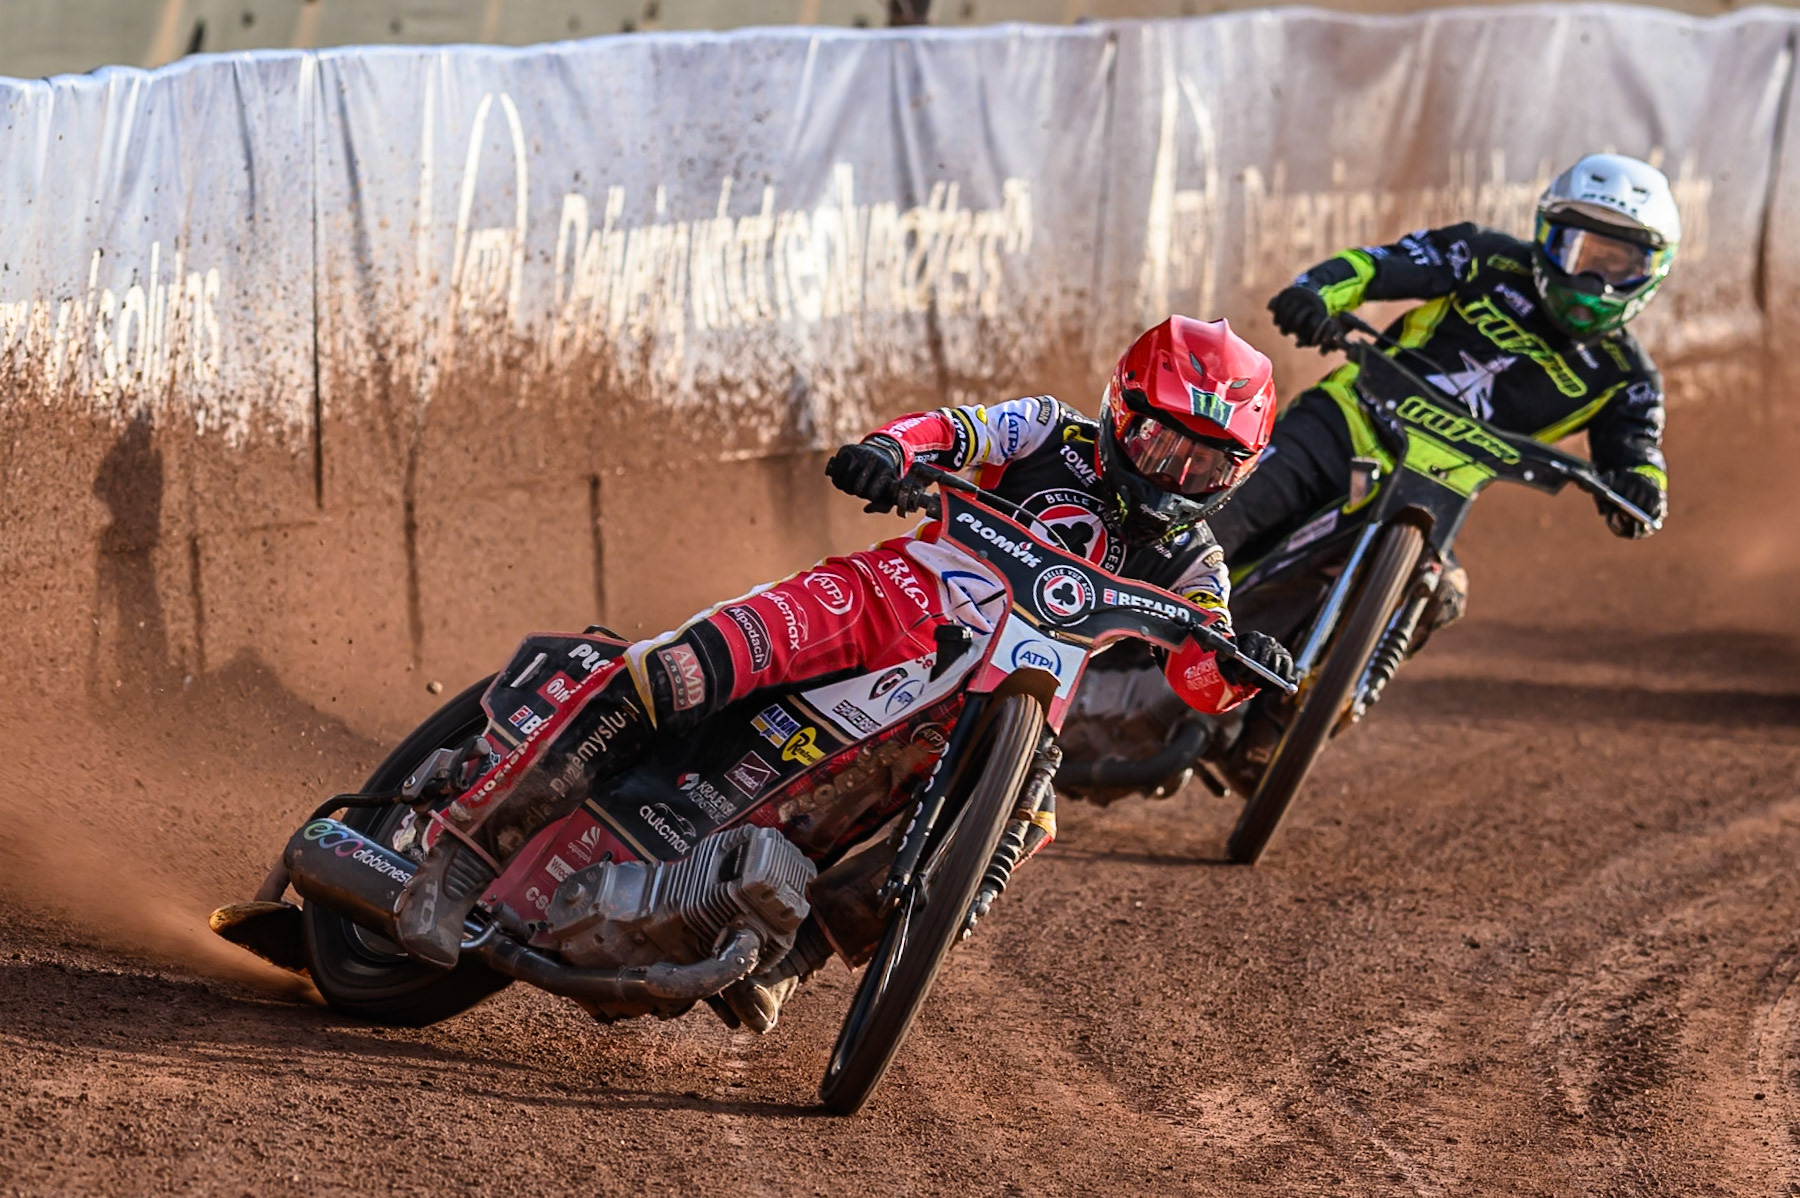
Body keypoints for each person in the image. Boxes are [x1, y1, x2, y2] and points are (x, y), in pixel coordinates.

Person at [392, 315, 1296, 1029]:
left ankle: (788, 963)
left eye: (1202, 460)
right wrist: (893, 452)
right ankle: (463, 860)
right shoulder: (1049, 429)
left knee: (1009, 840)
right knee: (680, 669)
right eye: (1160, 442)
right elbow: (953, 429)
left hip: (995, 715)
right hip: (892, 599)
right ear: (1122, 407)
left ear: (1238, 470)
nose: (1173, 471)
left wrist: (1249, 674)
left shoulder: (1197, 567)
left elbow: (1201, 677)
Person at [1209, 153, 1679, 594]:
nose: (1591, 280)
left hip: (1435, 492)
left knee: (1440, 592)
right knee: (1224, 522)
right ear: (1544, 235)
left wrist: (1640, 484)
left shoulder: (1628, 378)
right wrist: (1315, 294)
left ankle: (1344, 681)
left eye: (1616, 264)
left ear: (1653, 273)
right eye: (1578, 252)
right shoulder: (1484, 257)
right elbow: (1380, 266)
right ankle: (1146, 601)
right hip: (1346, 424)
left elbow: (1636, 448)